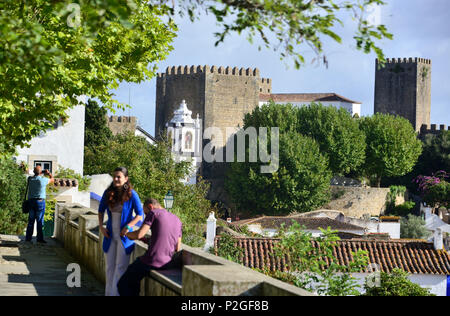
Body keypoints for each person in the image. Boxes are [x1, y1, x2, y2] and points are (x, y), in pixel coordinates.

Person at [117, 198, 182, 296]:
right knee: (134, 282)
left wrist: (126, 234)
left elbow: (139, 234)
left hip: (151, 261)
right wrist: (148, 240)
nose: (146, 215)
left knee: (123, 284)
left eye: (146, 213)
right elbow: (177, 247)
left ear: (150, 206)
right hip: (167, 263)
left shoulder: (154, 213)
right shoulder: (177, 220)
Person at [98, 167, 143, 296]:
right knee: (110, 268)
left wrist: (128, 227)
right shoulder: (108, 193)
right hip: (110, 235)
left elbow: (140, 215)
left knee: (120, 268)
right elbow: (100, 210)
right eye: (115, 176)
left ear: (126, 179)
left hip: (125, 237)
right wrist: (101, 227)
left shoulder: (132, 194)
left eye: (119, 177)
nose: (116, 179)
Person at [25, 165, 55, 243]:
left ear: (34, 172)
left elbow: (35, 174)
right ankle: (39, 239)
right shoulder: (43, 180)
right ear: (40, 172)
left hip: (31, 202)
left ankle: (28, 238)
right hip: (40, 202)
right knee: (39, 220)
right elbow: (52, 179)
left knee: (31, 220)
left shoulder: (30, 179)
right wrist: (48, 173)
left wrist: (39, 172)